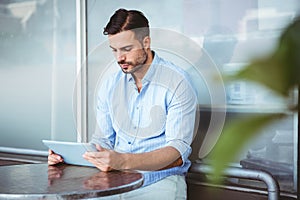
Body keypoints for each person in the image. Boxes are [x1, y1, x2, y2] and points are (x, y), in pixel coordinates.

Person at [48, 8, 197, 199]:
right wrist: (68, 158)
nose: (120, 58)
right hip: (113, 180)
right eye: (114, 50)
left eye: (126, 49)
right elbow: (103, 142)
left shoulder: (177, 81)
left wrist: (123, 161)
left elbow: (177, 154)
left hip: (159, 182)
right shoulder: (110, 85)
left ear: (146, 42)